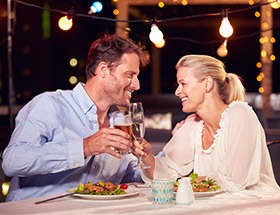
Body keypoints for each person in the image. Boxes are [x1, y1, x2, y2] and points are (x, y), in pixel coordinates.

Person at [2, 34, 150, 201]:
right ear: (103, 70)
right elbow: (12, 161)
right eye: (130, 75)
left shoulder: (120, 121)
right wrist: (84, 148)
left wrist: (148, 158)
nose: (137, 85)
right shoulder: (50, 104)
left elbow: (130, 176)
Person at [140, 54, 280, 192]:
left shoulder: (240, 114)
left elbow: (235, 179)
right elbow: (164, 174)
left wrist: (185, 183)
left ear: (207, 84)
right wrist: (145, 155)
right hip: (215, 207)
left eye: (183, 84)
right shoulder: (193, 126)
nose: (177, 91)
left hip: (255, 205)